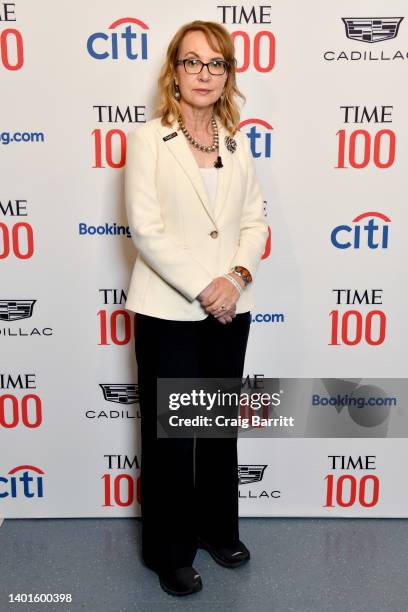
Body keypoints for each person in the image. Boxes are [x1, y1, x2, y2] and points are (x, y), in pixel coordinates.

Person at [124, 20, 269, 596]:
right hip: (168, 309)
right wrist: (205, 287)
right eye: (193, 62)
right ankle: (168, 550)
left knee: (215, 430)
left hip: (231, 308)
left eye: (216, 63)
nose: (204, 73)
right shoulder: (148, 138)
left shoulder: (237, 141)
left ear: (228, 73)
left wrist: (234, 279)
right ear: (174, 72)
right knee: (170, 437)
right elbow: (146, 228)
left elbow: (255, 221)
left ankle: (215, 528)